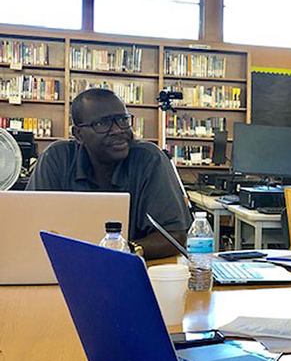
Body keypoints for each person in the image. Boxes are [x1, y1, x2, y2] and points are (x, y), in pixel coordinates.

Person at [27, 88, 191, 259]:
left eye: (122, 120)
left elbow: (175, 236)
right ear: (78, 135)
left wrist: (123, 251)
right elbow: (32, 228)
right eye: (102, 123)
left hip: (130, 268)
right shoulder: (56, 159)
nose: (117, 130)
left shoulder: (149, 159)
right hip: (63, 266)